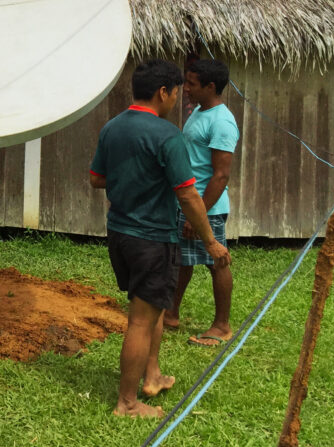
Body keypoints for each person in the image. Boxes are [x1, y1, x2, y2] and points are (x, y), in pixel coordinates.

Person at [89, 59, 231, 419]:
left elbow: (96, 178)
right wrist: (211, 242)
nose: (178, 101)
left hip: (118, 234)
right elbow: (188, 196)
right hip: (152, 238)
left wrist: (134, 180)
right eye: (176, 93)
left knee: (149, 310)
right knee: (140, 318)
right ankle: (127, 403)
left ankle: (151, 375)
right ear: (162, 92)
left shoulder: (112, 127)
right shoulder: (167, 135)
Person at [164, 59, 239, 346]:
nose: (185, 89)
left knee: (216, 261)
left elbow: (220, 175)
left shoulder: (222, 122)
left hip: (207, 206)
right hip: (190, 203)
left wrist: (200, 215)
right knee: (183, 259)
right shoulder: (199, 111)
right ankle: (171, 312)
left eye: (192, 84)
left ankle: (222, 325)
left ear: (210, 86)